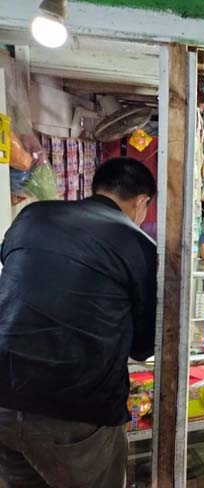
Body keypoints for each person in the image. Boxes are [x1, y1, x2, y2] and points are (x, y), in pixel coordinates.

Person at [0, 157, 157, 488]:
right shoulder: (137, 243)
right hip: (76, 413)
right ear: (142, 202)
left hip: (4, 396)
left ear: (96, 189)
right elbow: (143, 347)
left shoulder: (33, 215)